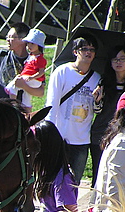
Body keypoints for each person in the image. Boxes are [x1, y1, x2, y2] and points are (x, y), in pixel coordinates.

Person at [45, 35, 101, 185]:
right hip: (60, 135)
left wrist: (97, 100)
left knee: (73, 183)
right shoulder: (62, 72)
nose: (88, 52)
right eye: (84, 49)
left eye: (92, 49)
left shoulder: (97, 78)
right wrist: (49, 133)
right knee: (52, 180)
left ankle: (69, 209)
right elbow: (51, 103)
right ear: (76, 51)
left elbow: (97, 110)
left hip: (81, 139)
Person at [90, 46, 125, 185]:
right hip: (101, 132)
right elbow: (97, 111)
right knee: (98, 173)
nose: (119, 62)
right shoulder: (104, 82)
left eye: (123, 59)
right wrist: (97, 101)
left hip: (123, 134)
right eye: (115, 59)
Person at [0, 22, 43, 100]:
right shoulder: (2, 55)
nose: (7, 39)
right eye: (7, 36)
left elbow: (41, 92)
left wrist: (24, 86)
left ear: (23, 40)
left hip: (17, 108)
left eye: (11, 37)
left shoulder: (34, 60)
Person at [5, 28, 47, 111]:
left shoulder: (39, 59)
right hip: (31, 79)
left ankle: (12, 102)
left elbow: (41, 71)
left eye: (32, 44)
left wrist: (31, 77)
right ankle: (27, 110)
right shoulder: (32, 56)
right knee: (27, 96)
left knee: (14, 84)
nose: (29, 46)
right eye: (28, 43)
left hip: (33, 79)